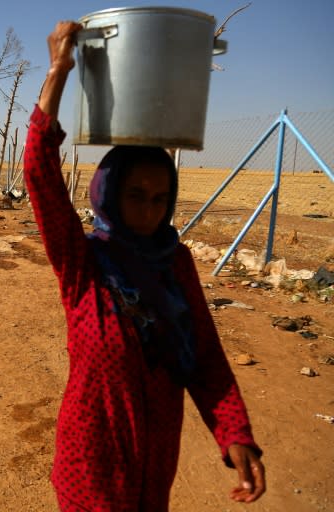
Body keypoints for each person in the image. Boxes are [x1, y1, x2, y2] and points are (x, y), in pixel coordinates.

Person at [23, 21, 265, 511]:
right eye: (135, 196)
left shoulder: (174, 264)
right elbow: (39, 175)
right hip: (88, 473)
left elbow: (205, 356)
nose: (150, 211)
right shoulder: (84, 263)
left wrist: (234, 434)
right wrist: (58, 71)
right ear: (109, 194)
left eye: (160, 199)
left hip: (154, 473)